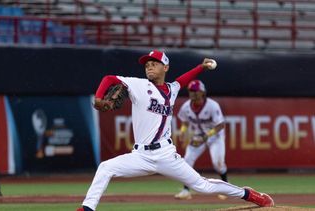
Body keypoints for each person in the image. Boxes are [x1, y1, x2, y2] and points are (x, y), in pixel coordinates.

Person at [76, 50, 274, 211]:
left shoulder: (172, 89)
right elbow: (109, 78)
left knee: (203, 186)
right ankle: (87, 208)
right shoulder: (139, 85)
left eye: (154, 63)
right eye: (147, 64)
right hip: (140, 155)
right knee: (105, 168)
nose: (149, 66)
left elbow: (183, 79)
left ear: (165, 67)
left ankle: (250, 195)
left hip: (166, 155)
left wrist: (201, 67)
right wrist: (100, 98)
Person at [174, 80, 228, 200]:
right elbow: (185, 121)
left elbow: (220, 125)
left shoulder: (212, 106)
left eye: (195, 91)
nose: (193, 93)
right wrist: (183, 132)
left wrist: (205, 136)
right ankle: (186, 191)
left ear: (202, 92)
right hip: (197, 136)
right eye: (190, 91)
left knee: (218, 164)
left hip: (215, 137)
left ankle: (225, 188)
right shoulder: (186, 106)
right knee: (187, 162)